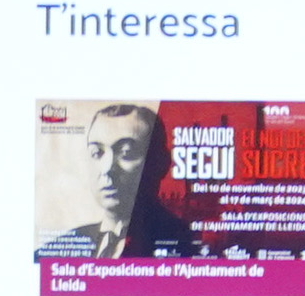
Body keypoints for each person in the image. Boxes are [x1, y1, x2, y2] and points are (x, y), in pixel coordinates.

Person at [36, 102, 197, 258]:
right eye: (97, 153)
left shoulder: (188, 243)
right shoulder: (61, 249)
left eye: (127, 152)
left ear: (162, 163)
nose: (107, 169)